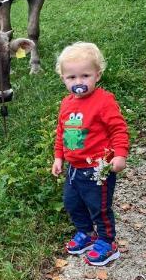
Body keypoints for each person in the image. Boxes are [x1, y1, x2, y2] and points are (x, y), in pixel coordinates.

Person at [51, 42, 129, 266]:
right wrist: (58, 157)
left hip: (98, 168)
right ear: (63, 78)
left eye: (85, 76)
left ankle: (107, 241)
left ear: (97, 75)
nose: (79, 82)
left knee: (99, 206)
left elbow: (118, 129)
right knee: (72, 202)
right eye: (72, 77)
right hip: (74, 169)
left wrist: (120, 154)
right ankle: (86, 233)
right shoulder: (67, 103)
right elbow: (61, 132)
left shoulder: (104, 101)